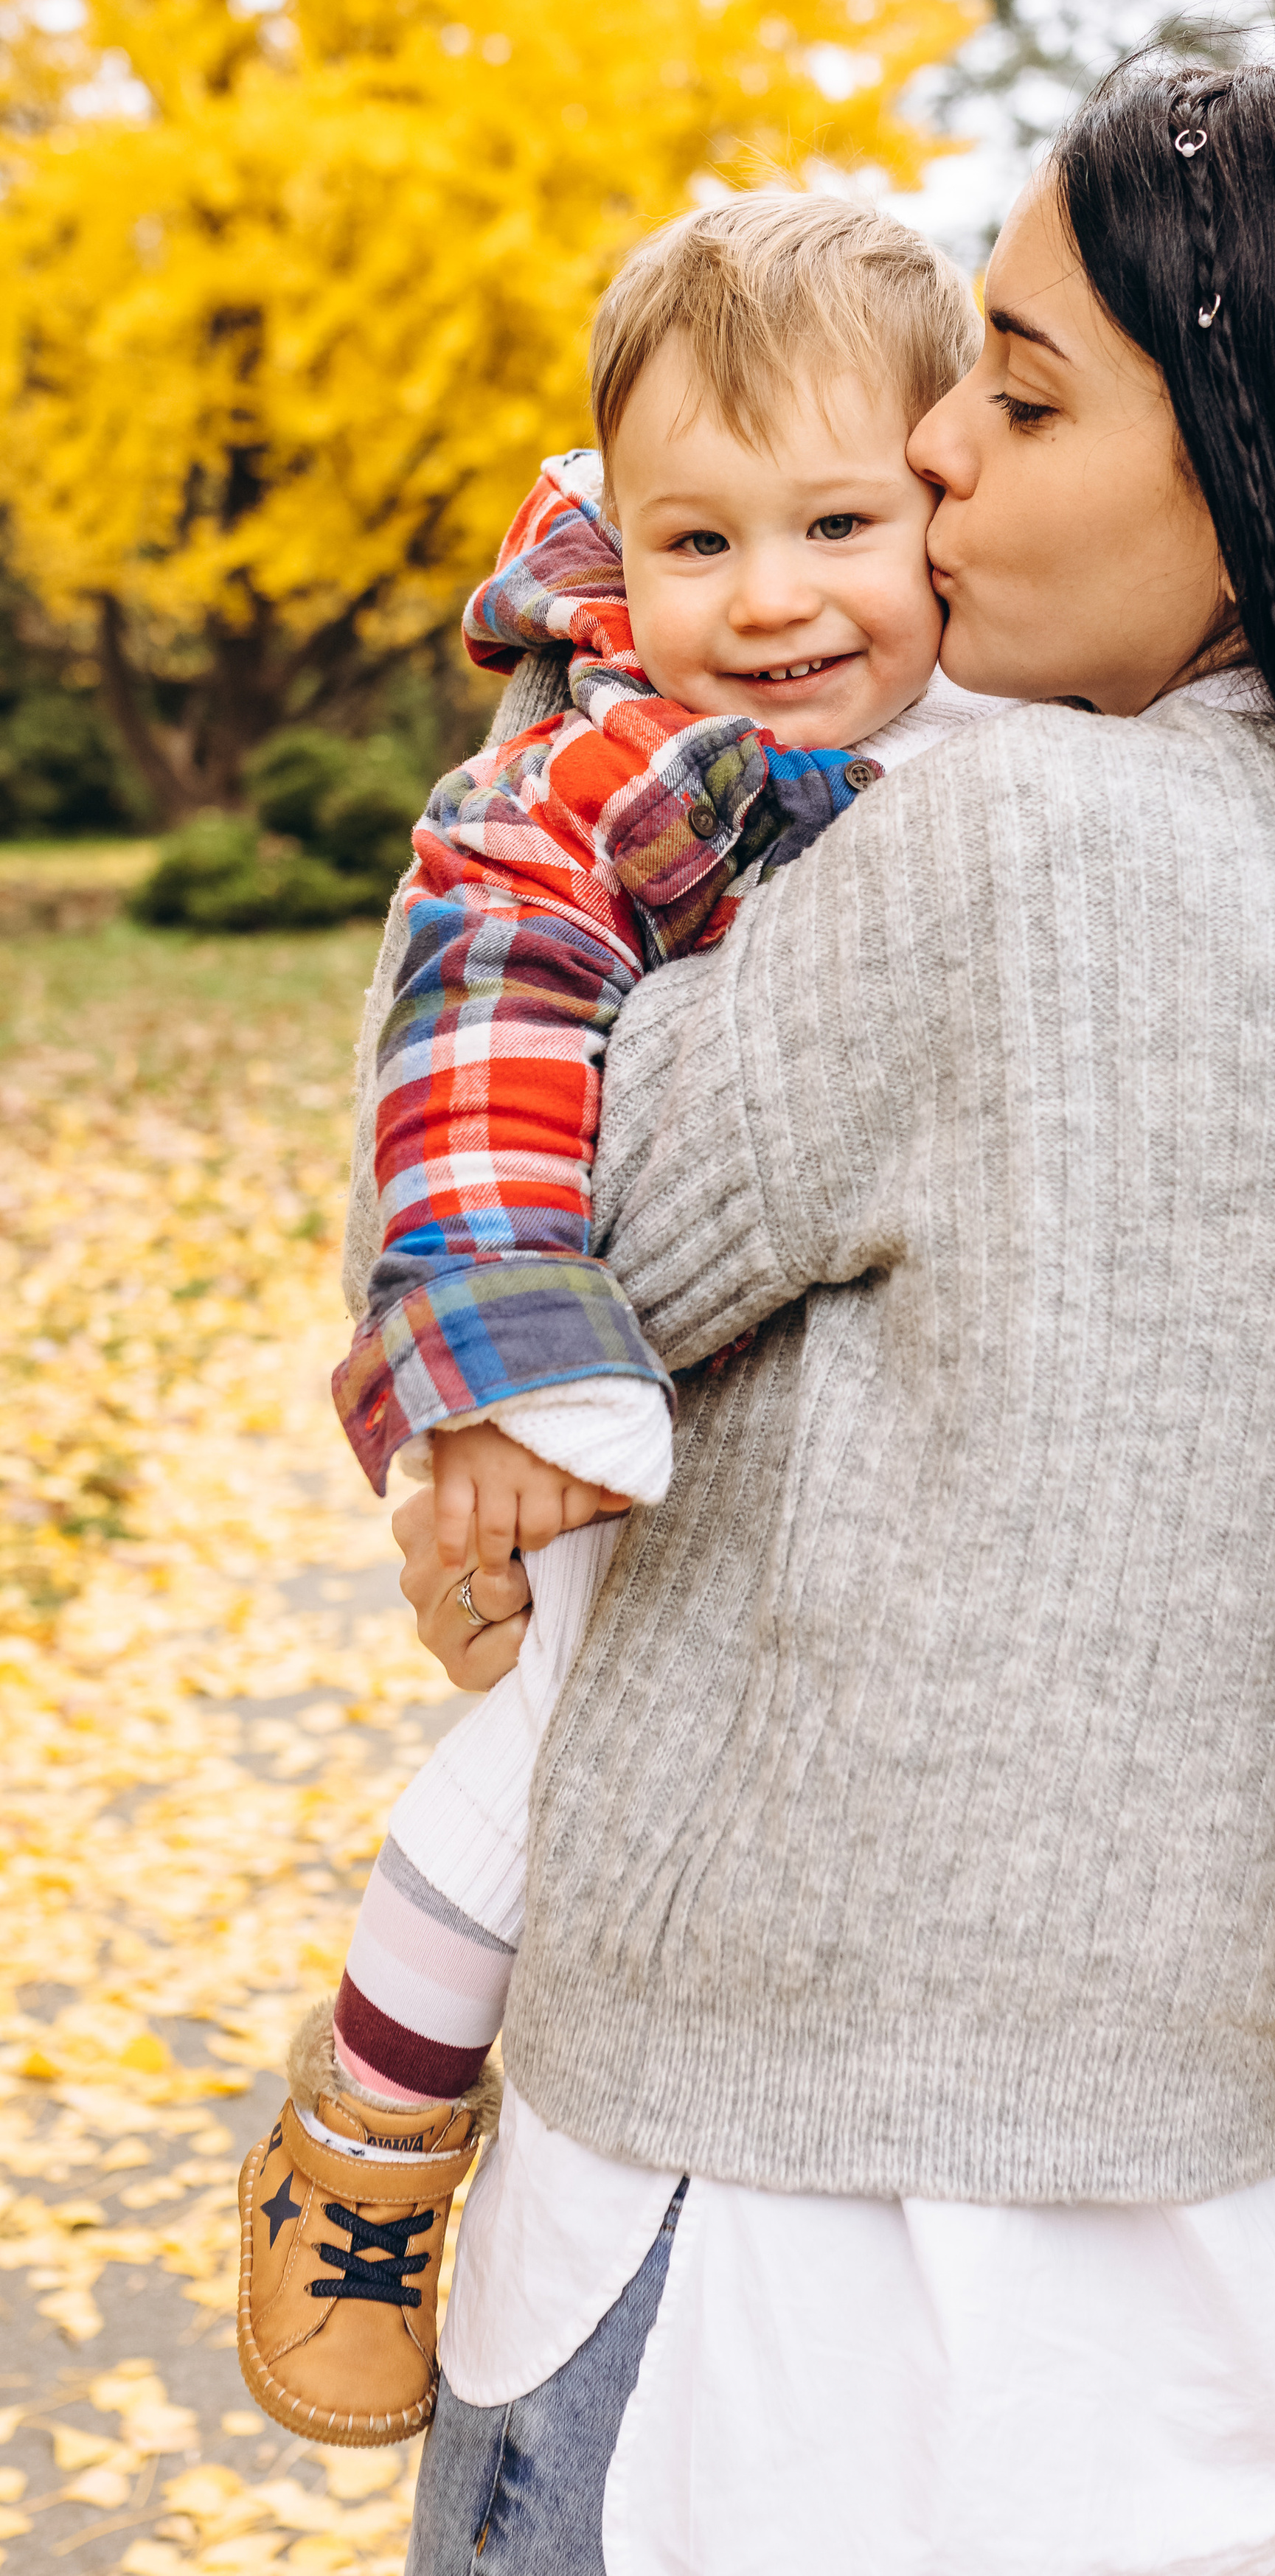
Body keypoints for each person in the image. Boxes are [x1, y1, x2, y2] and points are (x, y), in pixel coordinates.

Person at [400, 51, 1275, 2574]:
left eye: (1007, 396)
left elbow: (530, 1218)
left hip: (776, 2263)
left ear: (1256, 474)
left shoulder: (1011, 850)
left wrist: (567, 711)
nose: (932, 476)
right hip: (1173, 2260)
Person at [234, 195, 987, 2444]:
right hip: (592, 1394)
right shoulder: (612, 769)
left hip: (847, 1443)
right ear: (616, 554)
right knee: (548, 1751)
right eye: (694, 541)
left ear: (946, 499)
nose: (766, 601)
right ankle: (367, 2139)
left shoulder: (1037, 726)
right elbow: (477, 1028)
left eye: (835, 523)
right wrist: (495, 1343)